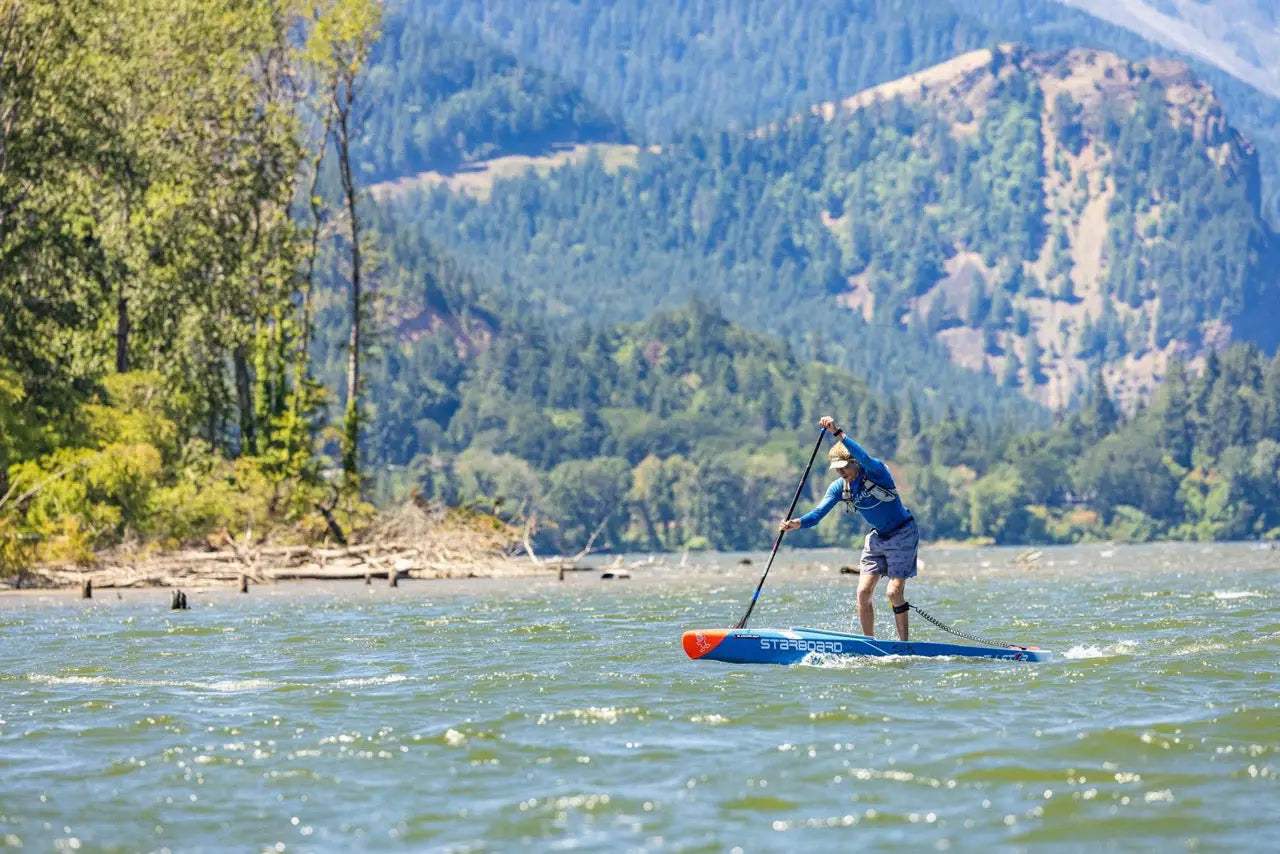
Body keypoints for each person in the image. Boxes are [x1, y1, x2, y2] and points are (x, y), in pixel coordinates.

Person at [780, 415, 918, 640]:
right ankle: (869, 643)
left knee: (893, 593)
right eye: (836, 468)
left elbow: (864, 454)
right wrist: (796, 523)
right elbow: (817, 515)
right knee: (863, 592)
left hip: (902, 533)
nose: (840, 472)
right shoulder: (839, 488)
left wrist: (837, 432)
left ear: (854, 462)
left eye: (844, 466)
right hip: (877, 538)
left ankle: (904, 645)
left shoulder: (876, 472)